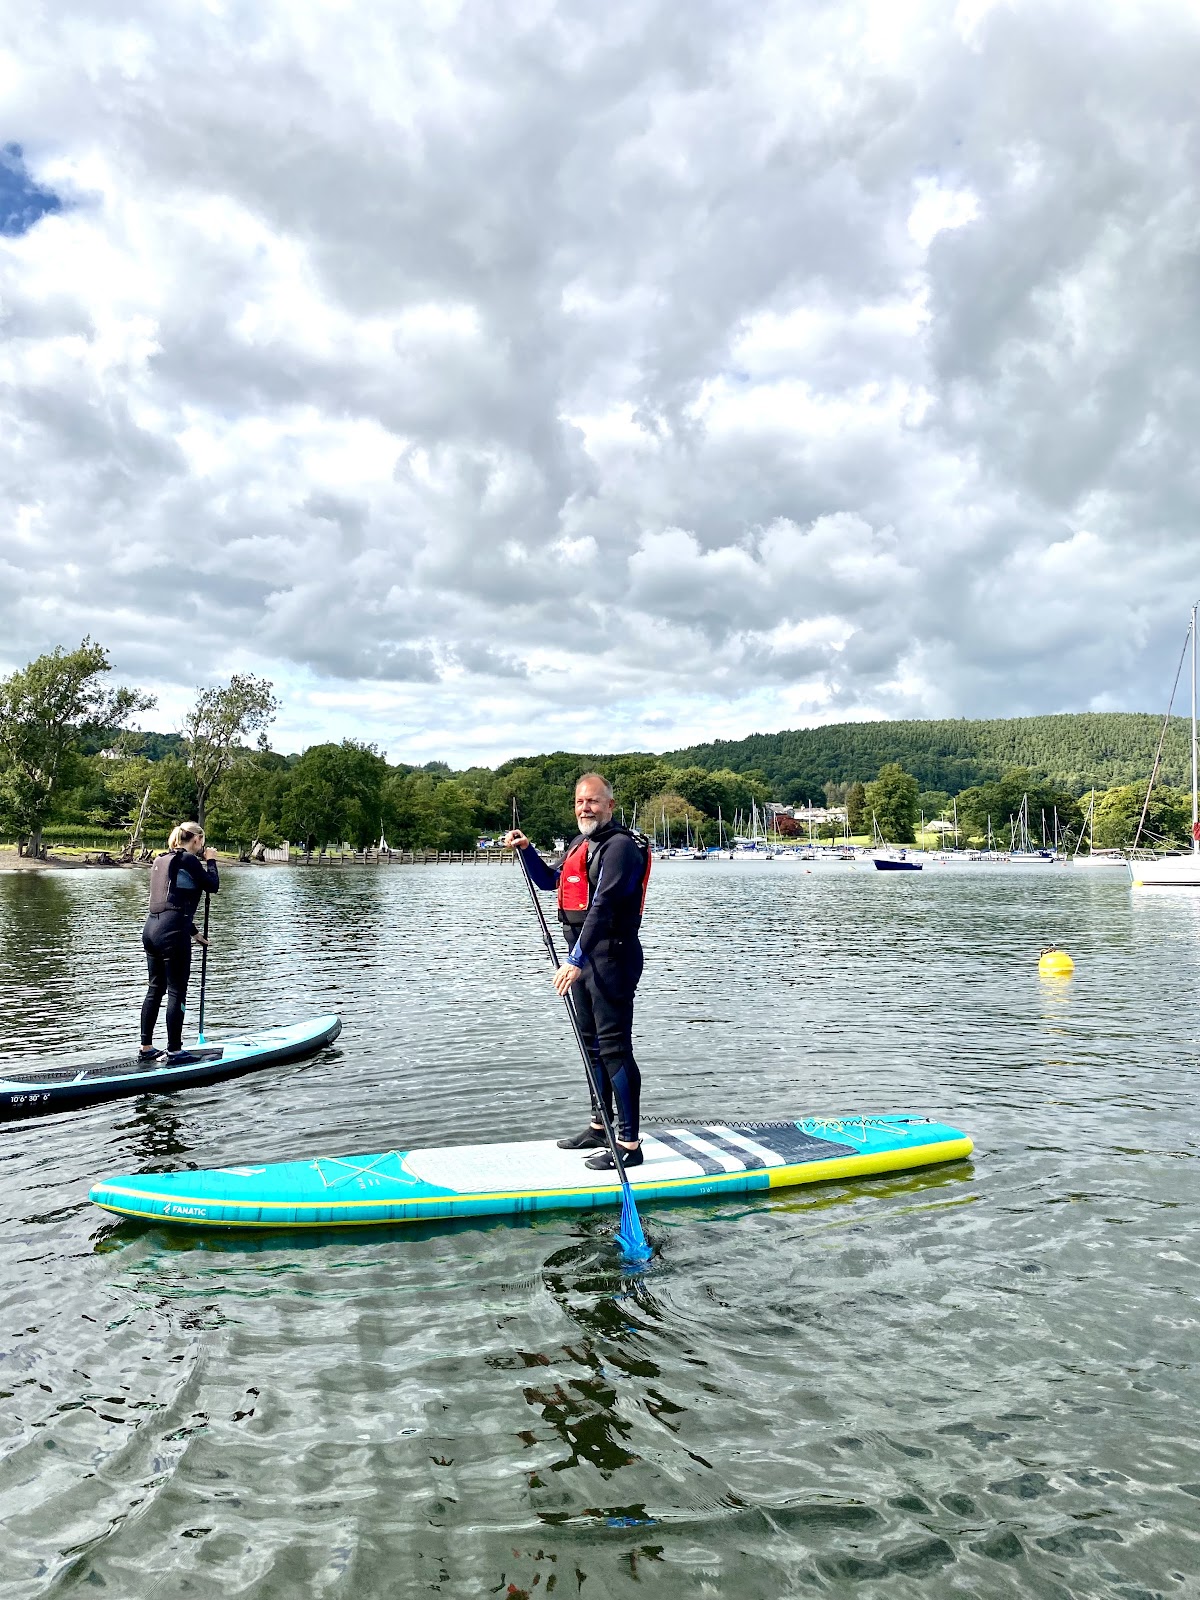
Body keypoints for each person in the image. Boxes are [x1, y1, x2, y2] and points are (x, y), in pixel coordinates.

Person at [504, 773, 651, 1169]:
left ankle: (630, 1144)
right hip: (583, 957)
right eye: (579, 802)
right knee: (590, 1045)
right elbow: (550, 881)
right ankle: (599, 1127)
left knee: (615, 1048)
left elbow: (602, 908)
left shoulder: (621, 848)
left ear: (610, 805)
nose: (585, 808)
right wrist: (527, 850)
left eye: (593, 801)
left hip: (610, 958)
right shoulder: (581, 843)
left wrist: (575, 959)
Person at [139, 822, 220, 1063]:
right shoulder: (190, 860)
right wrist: (212, 861)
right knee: (176, 990)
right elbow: (212, 886)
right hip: (172, 934)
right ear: (196, 840)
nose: (203, 846)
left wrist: (193, 932)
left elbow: (171, 900)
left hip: (152, 930)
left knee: (155, 989)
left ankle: (146, 1048)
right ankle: (174, 1051)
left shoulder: (160, 859)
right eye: (202, 842)